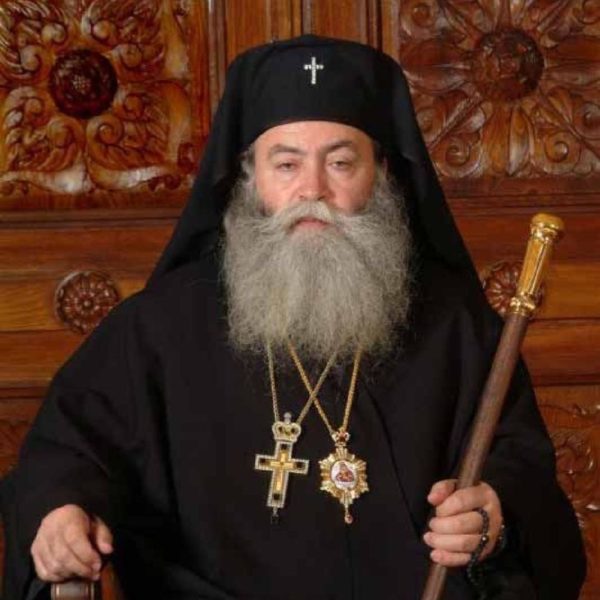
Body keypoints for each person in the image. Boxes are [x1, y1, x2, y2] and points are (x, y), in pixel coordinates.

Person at [1, 35, 585, 600]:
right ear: (250, 178)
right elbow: (69, 452)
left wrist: (494, 518)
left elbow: (521, 474)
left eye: (341, 162)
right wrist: (61, 510)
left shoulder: (456, 326)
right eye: (286, 164)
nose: (313, 190)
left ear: (381, 172)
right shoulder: (159, 328)